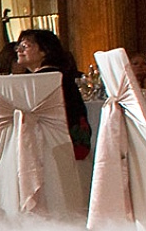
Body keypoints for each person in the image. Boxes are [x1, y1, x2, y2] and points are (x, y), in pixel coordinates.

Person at [15, 28, 90, 158]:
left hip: (60, 146)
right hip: (73, 142)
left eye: (25, 46)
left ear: (45, 51)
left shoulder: (45, 78)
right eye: (18, 46)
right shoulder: (57, 74)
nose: (18, 50)